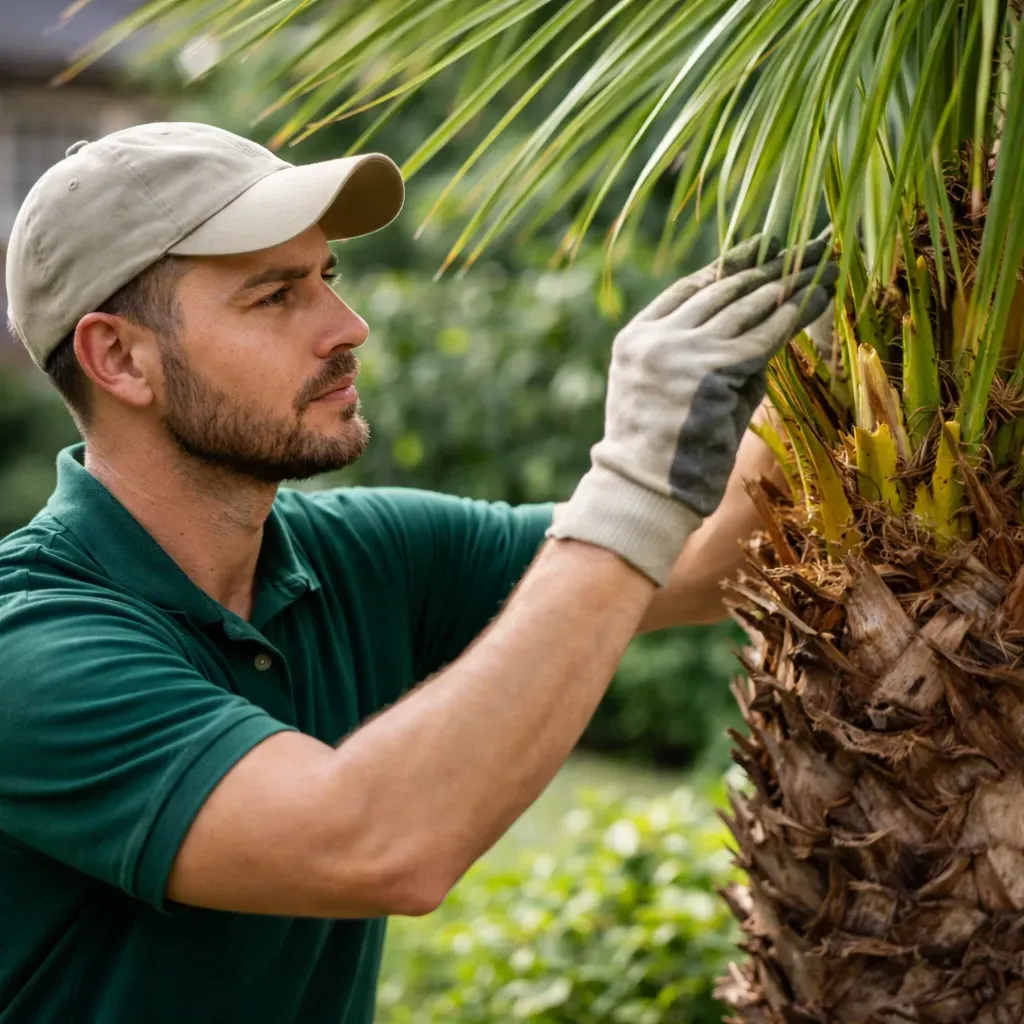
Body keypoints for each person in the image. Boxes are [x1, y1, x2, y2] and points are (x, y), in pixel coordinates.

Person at [0, 122, 837, 1024]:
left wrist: (834, 323)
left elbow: (709, 559)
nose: (346, 328)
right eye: (276, 296)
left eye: (328, 278)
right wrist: (634, 473)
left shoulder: (357, 555)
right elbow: (378, 844)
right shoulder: (32, 648)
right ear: (119, 358)